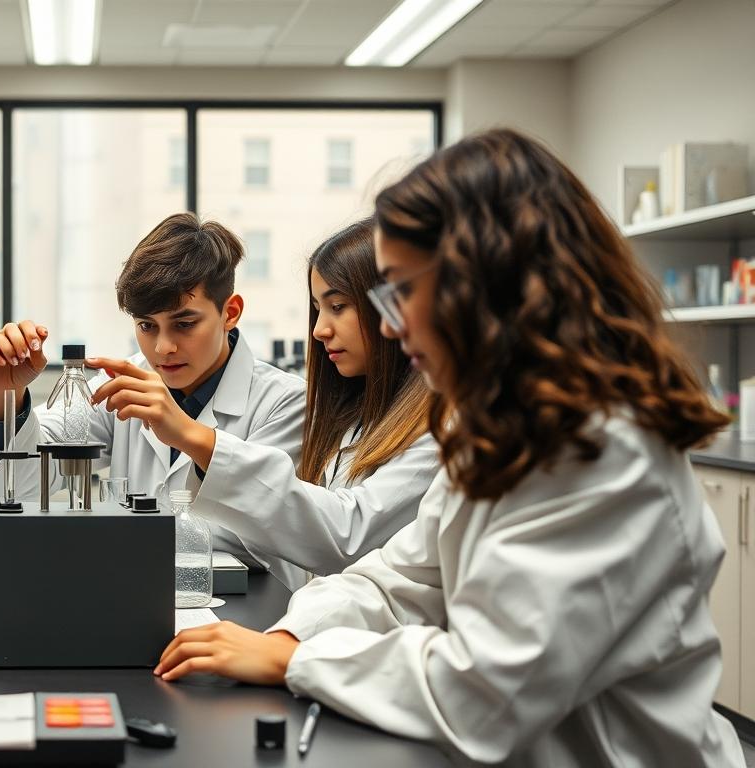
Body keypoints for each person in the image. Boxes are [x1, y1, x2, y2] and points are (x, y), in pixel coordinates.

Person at [155, 129, 744, 766]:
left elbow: (486, 696)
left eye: (402, 290)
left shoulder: (606, 456)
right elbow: (399, 578)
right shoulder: (495, 429)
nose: (387, 323)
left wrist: (301, 658)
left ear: (486, 282)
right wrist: (293, 632)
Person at [0, 213, 305, 577]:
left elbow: (272, 531)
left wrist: (185, 432)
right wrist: (6, 394)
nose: (162, 348)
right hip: (134, 598)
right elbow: (24, 483)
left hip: (245, 616)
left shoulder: (285, 402)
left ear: (230, 312)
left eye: (184, 324)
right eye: (147, 325)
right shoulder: (120, 384)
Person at [192, 219, 439, 588]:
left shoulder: (438, 432)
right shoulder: (351, 417)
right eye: (318, 309)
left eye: (338, 306)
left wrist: (199, 442)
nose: (319, 329)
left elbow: (344, 538)